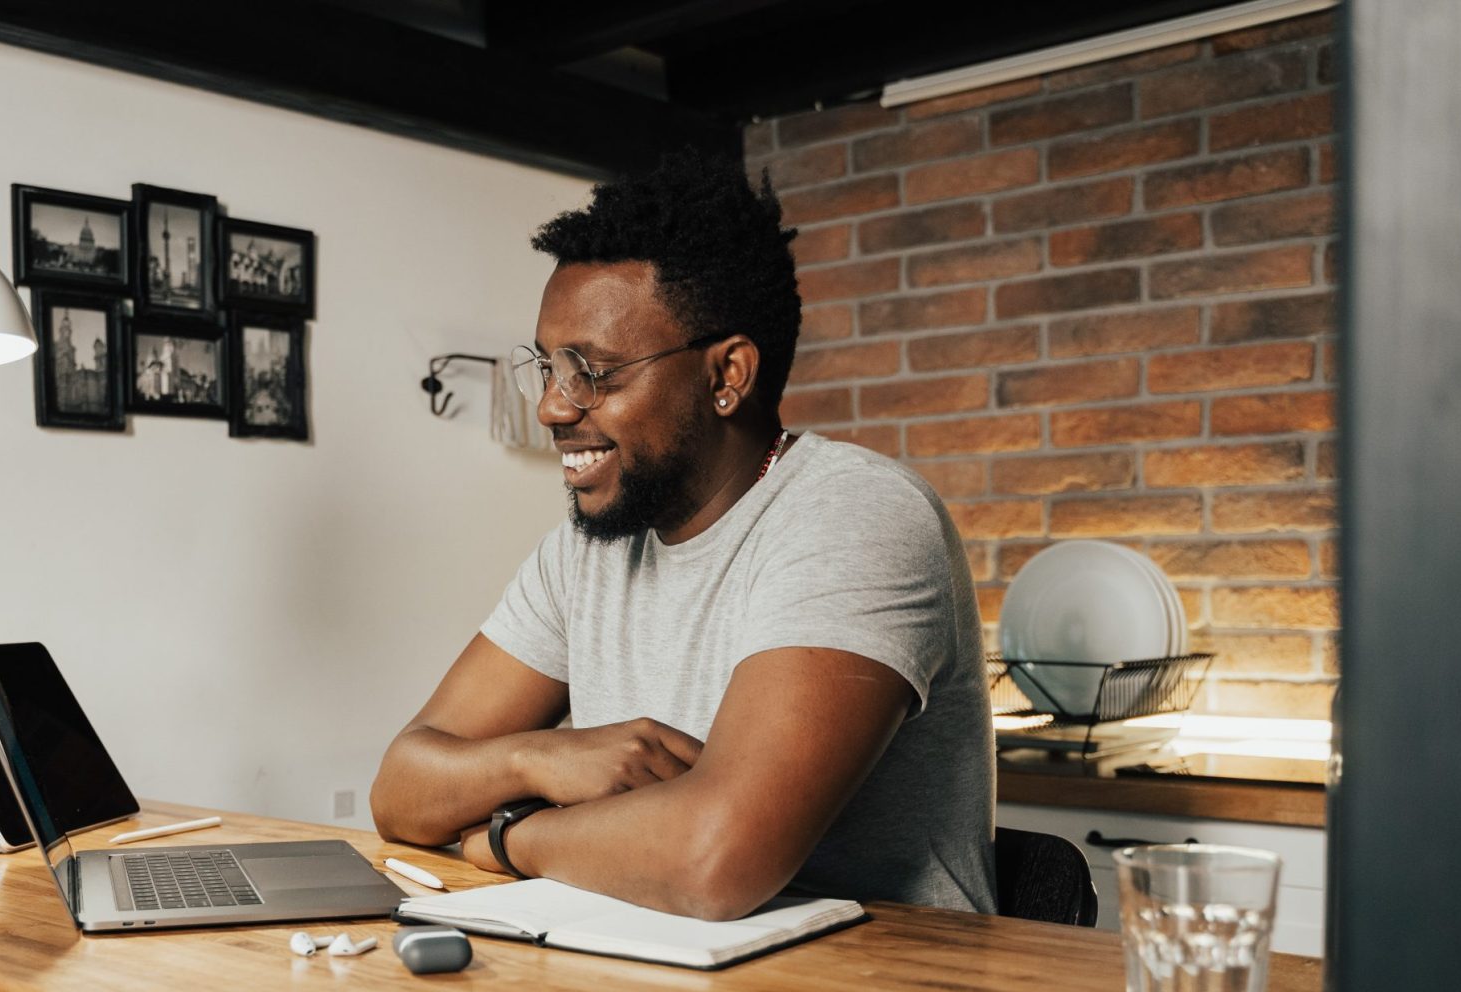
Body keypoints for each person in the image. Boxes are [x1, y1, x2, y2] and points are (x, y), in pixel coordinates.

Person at [369, 150, 996, 920]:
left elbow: (714, 858)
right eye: (548, 367)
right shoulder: (585, 551)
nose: (552, 410)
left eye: (591, 373)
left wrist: (508, 835)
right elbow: (401, 788)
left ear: (727, 375)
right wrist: (545, 755)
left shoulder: (855, 515)